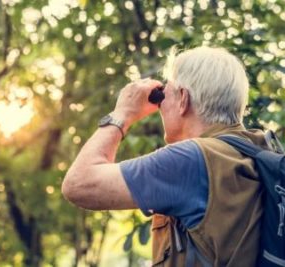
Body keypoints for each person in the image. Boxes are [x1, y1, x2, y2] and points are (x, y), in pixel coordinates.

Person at [62, 46, 268, 266]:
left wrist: (122, 114)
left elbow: (78, 184)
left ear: (183, 99)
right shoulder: (259, 151)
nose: (160, 108)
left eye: (163, 95)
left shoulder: (191, 160)